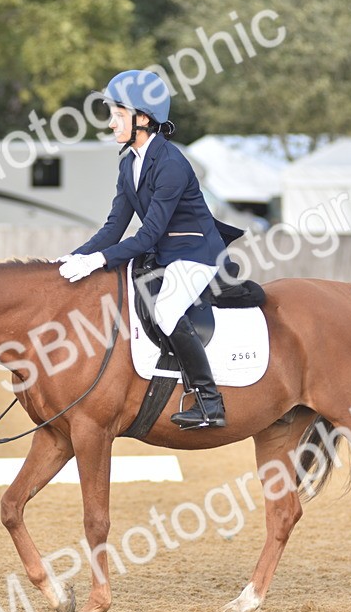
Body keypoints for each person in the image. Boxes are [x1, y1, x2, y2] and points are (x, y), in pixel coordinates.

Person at [57, 70, 233, 429]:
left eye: (117, 115)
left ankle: (209, 401)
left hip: (195, 252)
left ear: (143, 118)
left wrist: (97, 261)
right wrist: (75, 256)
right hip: (164, 253)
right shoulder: (129, 164)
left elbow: (149, 235)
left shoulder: (171, 164)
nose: (110, 124)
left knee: (166, 310)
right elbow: (114, 228)